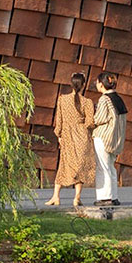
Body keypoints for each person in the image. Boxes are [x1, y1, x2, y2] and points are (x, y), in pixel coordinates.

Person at [47, 71, 94, 210]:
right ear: (83, 85)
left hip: (67, 135)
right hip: (82, 136)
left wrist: (60, 135)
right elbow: (90, 122)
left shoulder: (62, 99)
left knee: (64, 164)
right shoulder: (88, 102)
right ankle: (76, 198)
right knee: (81, 167)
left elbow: (59, 120)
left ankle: (56, 196)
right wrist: (82, 127)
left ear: (71, 84)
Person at [91, 72, 127, 218]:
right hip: (116, 139)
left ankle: (104, 198)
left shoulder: (105, 99)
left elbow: (99, 118)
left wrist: (92, 112)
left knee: (102, 167)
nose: (96, 84)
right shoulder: (118, 98)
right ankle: (113, 196)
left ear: (102, 84)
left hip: (103, 137)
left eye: (97, 82)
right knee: (111, 168)